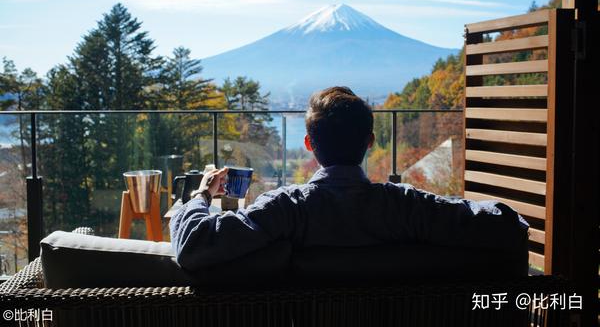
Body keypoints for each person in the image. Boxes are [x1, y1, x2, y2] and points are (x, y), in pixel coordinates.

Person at [170, 86, 528, 271]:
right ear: (370, 143)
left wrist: (200, 196)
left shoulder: (287, 209)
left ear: (309, 145)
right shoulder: (403, 206)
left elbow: (194, 246)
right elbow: (509, 226)